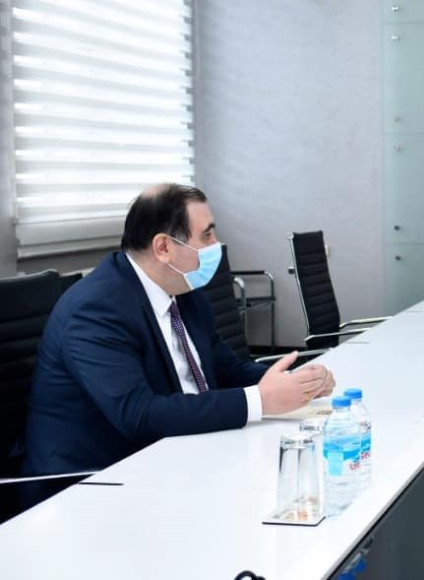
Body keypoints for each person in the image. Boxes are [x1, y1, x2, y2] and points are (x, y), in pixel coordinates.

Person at [23, 183, 336, 476]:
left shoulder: (184, 291)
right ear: (163, 247)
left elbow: (226, 369)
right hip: (95, 479)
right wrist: (261, 401)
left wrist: (297, 383)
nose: (217, 245)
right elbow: (138, 414)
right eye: (207, 236)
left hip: (180, 454)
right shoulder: (96, 309)